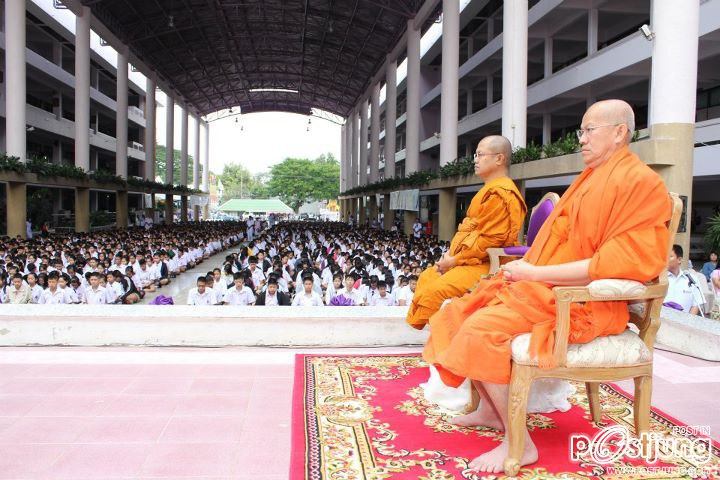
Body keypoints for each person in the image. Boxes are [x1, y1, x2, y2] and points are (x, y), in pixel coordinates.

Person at [425, 100, 672, 473]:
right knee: (460, 312)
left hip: (582, 302)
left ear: (620, 132)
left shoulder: (641, 184)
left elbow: (616, 264)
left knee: (479, 329)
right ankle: (491, 412)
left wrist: (534, 275)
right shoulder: (592, 176)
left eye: (590, 131)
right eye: (581, 132)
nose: (581, 140)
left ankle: (519, 443)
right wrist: (529, 274)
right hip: (548, 288)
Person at [407, 135, 527, 329]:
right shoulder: (489, 189)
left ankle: (448, 340)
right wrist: (453, 255)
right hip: (471, 258)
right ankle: (443, 337)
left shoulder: (501, 194)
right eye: (475, 155)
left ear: (499, 158)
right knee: (427, 277)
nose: (475, 160)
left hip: (488, 263)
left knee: (434, 290)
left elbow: (490, 241)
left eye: (480, 155)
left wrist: (454, 260)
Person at [665, 244, 701, 315]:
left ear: (679, 260)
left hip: (684, 323)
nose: (666, 259)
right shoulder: (659, 279)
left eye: (670, 256)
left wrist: (688, 322)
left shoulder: (691, 279)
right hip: (662, 322)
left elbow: (696, 305)